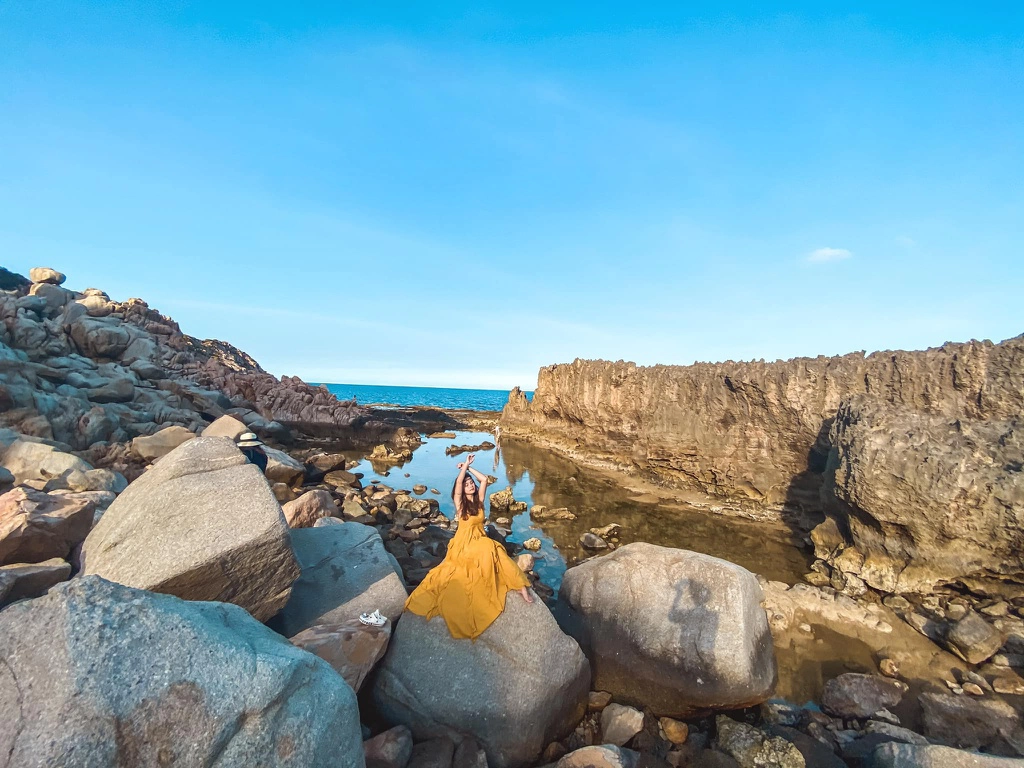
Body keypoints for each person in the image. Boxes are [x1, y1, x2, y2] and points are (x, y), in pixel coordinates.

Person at [405, 453, 532, 640]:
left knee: (495, 549)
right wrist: (463, 467)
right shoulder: (460, 504)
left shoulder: (479, 500)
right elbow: (457, 487)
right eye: (467, 485)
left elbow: (485, 479)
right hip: (464, 544)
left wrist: (471, 468)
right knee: (491, 548)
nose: (470, 485)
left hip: (480, 539)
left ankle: (521, 586)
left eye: (471, 483)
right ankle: (518, 584)